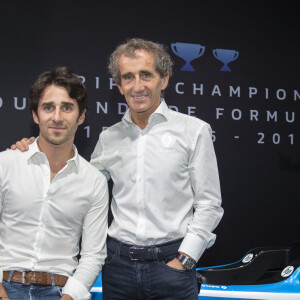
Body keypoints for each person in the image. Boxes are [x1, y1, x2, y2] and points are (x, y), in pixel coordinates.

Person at [11, 38, 224, 300]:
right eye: (128, 77)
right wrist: (34, 149)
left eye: (146, 75)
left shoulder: (194, 131)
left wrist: (185, 259)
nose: (137, 86)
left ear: (164, 79)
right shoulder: (108, 138)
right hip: (118, 269)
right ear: (119, 85)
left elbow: (210, 205)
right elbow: (77, 182)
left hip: (173, 266)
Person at [1, 67, 109, 300]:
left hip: (61, 292)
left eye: (67, 108)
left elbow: (93, 255)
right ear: (35, 115)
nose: (57, 117)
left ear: (81, 116)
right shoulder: (5, 164)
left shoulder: (94, 181)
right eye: (48, 107)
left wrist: (69, 298)